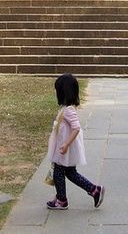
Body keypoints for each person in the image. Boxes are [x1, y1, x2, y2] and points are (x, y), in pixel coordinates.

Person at [46, 73, 104, 211]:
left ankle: (61, 199)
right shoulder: (66, 109)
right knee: (70, 172)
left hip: (65, 148)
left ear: (63, 92)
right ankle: (94, 190)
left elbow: (76, 128)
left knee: (59, 172)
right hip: (64, 147)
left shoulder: (68, 111)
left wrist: (66, 144)